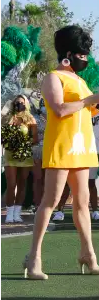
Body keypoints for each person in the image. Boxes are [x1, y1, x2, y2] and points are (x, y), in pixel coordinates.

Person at [24, 25, 99, 280]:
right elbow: (60, 109)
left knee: (82, 203)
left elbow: (85, 111)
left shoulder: (80, 80)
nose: (85, 59)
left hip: (82, 146)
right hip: (62, 145)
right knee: (50, 202)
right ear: (68, 53)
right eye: (82, 54)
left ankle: (88, 255)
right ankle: (34, 258)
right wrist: (88, 100)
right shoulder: (54, 77)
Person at [3, 95, 38, 224]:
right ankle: (9, 214)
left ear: (26, 104)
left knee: (22, 184)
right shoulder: (8, 117)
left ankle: (17, 213)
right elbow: (3, 136)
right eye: (17, 102)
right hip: (10, 155)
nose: (19, 104)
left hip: (24, 155)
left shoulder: (30, 119)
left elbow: (35, 139)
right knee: (11, 184)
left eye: (22, 102)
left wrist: (23, 142)